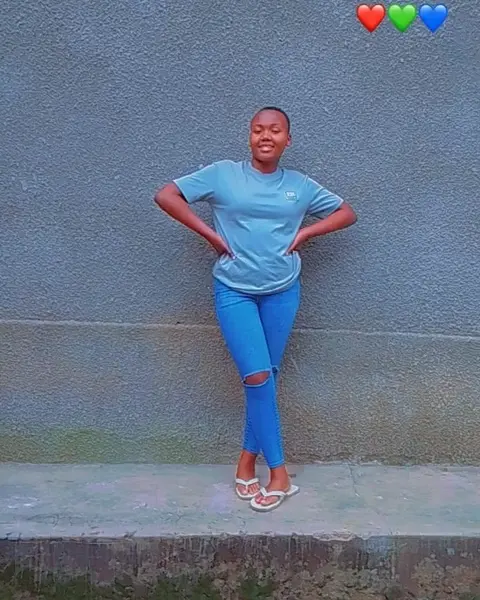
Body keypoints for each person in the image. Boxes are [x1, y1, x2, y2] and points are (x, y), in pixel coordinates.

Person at [154, 106, 357, 512]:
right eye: (258, 130)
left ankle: (246, 462)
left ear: (287, 140)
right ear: (249, 136)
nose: (266, 136)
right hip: (235, 291)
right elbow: (166, 196)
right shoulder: (222, 174)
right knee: (258, 376)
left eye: (275, 130)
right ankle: (280, 474)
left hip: (283, 292)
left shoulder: (299, 186)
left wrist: (307, 232)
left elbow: (346, 213)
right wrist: (210, 235)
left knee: (264, 380)